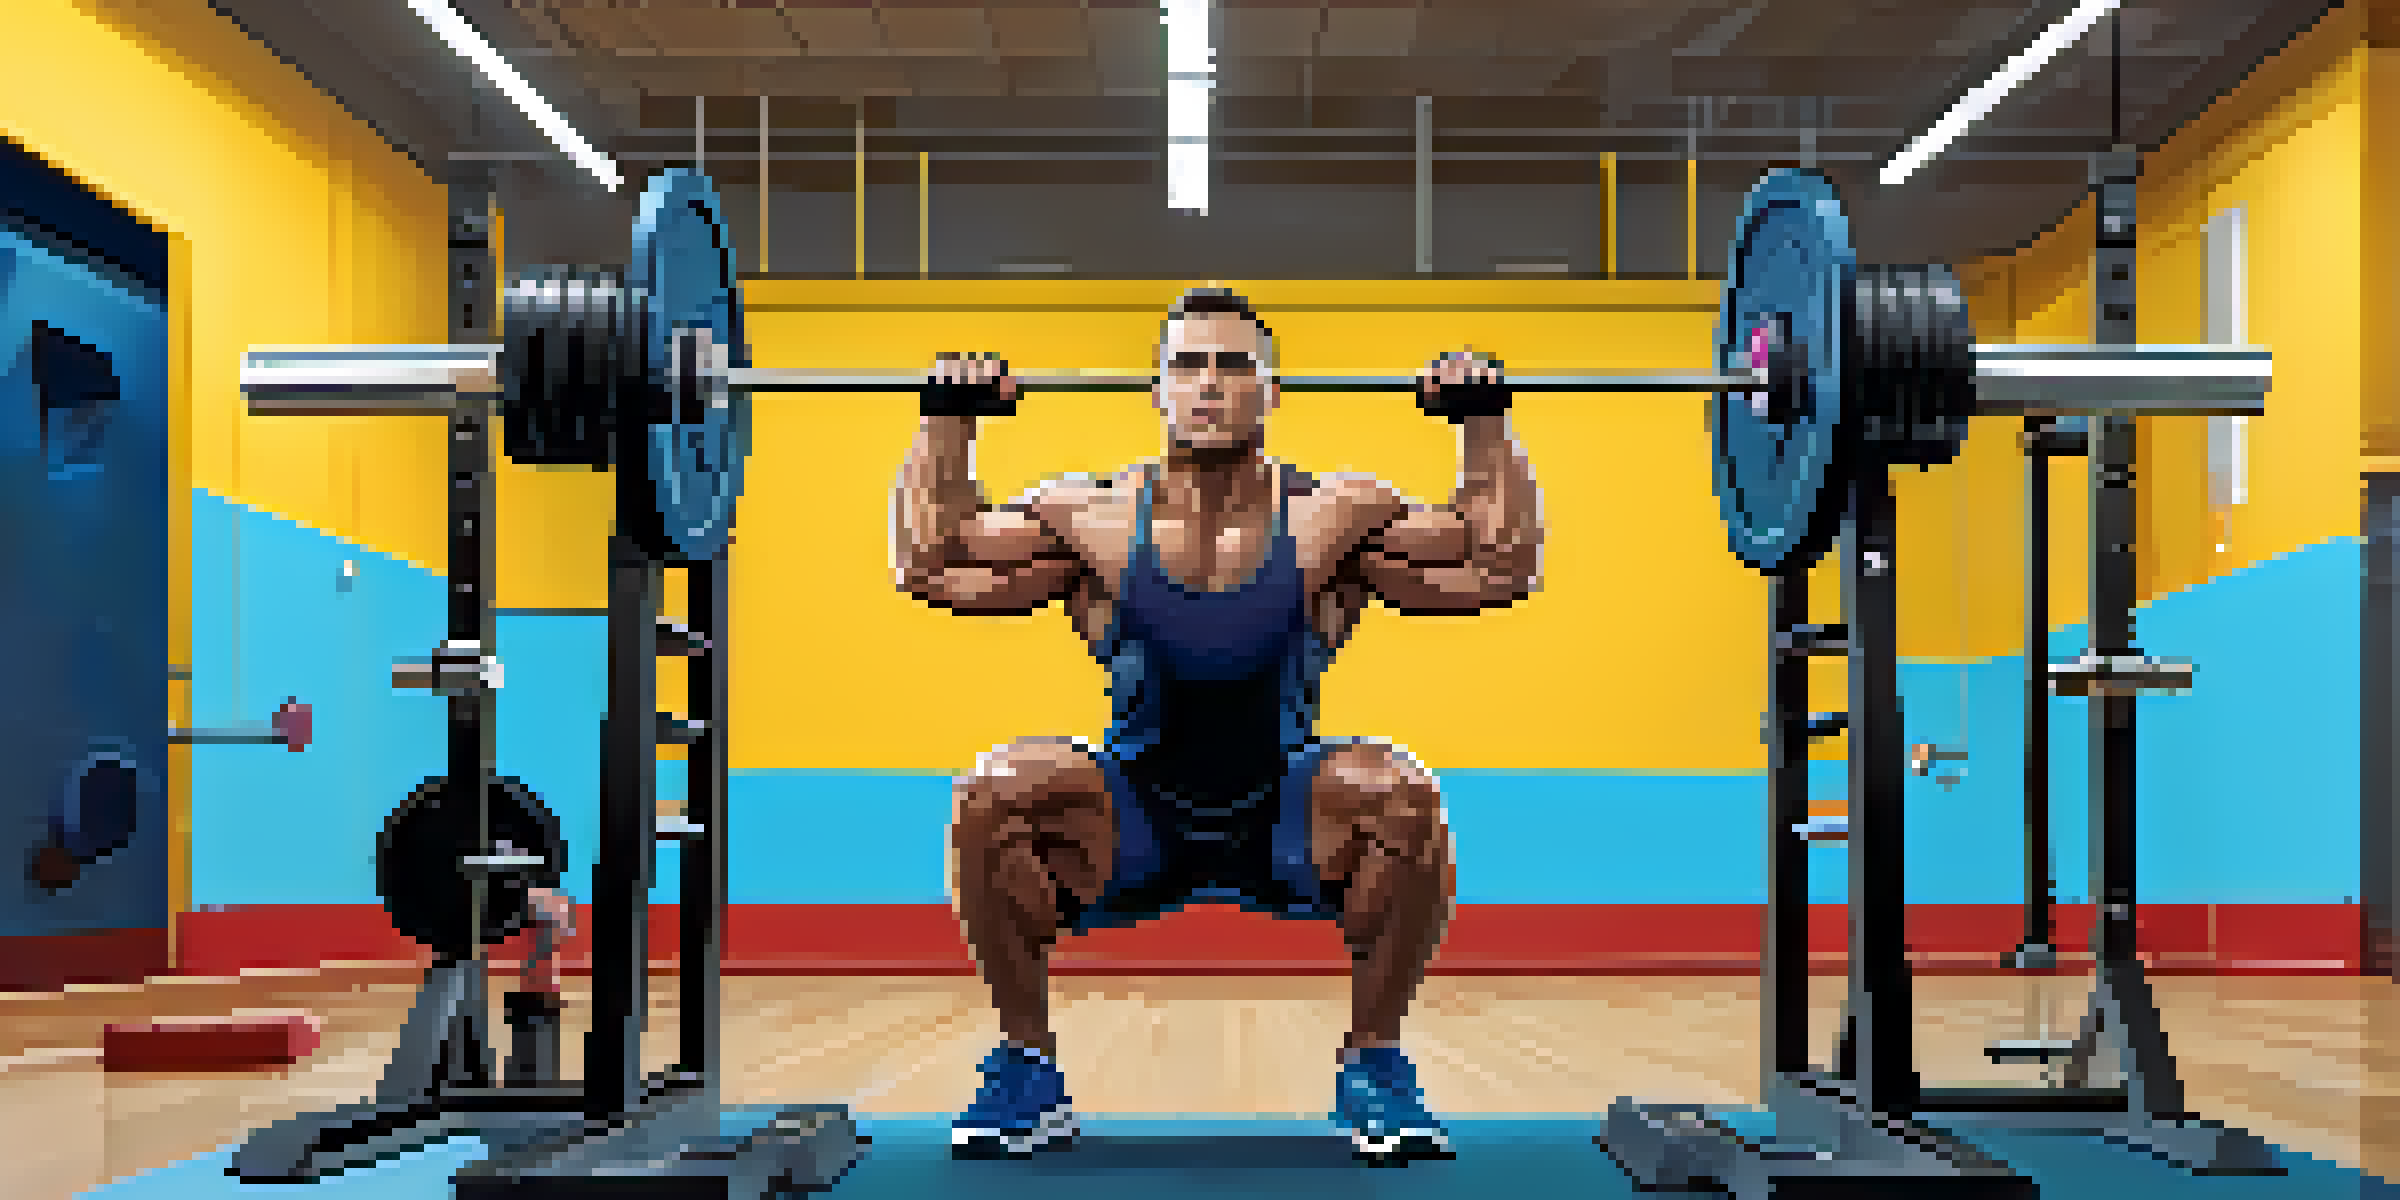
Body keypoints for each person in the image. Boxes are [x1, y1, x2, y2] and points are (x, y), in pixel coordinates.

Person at [891, 287, 1543, 1164]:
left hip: (1287, 818)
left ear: (1271, 393)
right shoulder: (1089, 517)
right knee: (993, 794)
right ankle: (1026, 1064)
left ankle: (1376, 1064)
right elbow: (929, 565)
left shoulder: (1333, 516)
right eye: (1187, 365)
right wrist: (947, 423)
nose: (1209, 385)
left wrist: (1484, 423)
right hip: (1131, 823)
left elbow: (1500, 568)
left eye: (1234, 365)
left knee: (1403, 795)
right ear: (1156, 391)